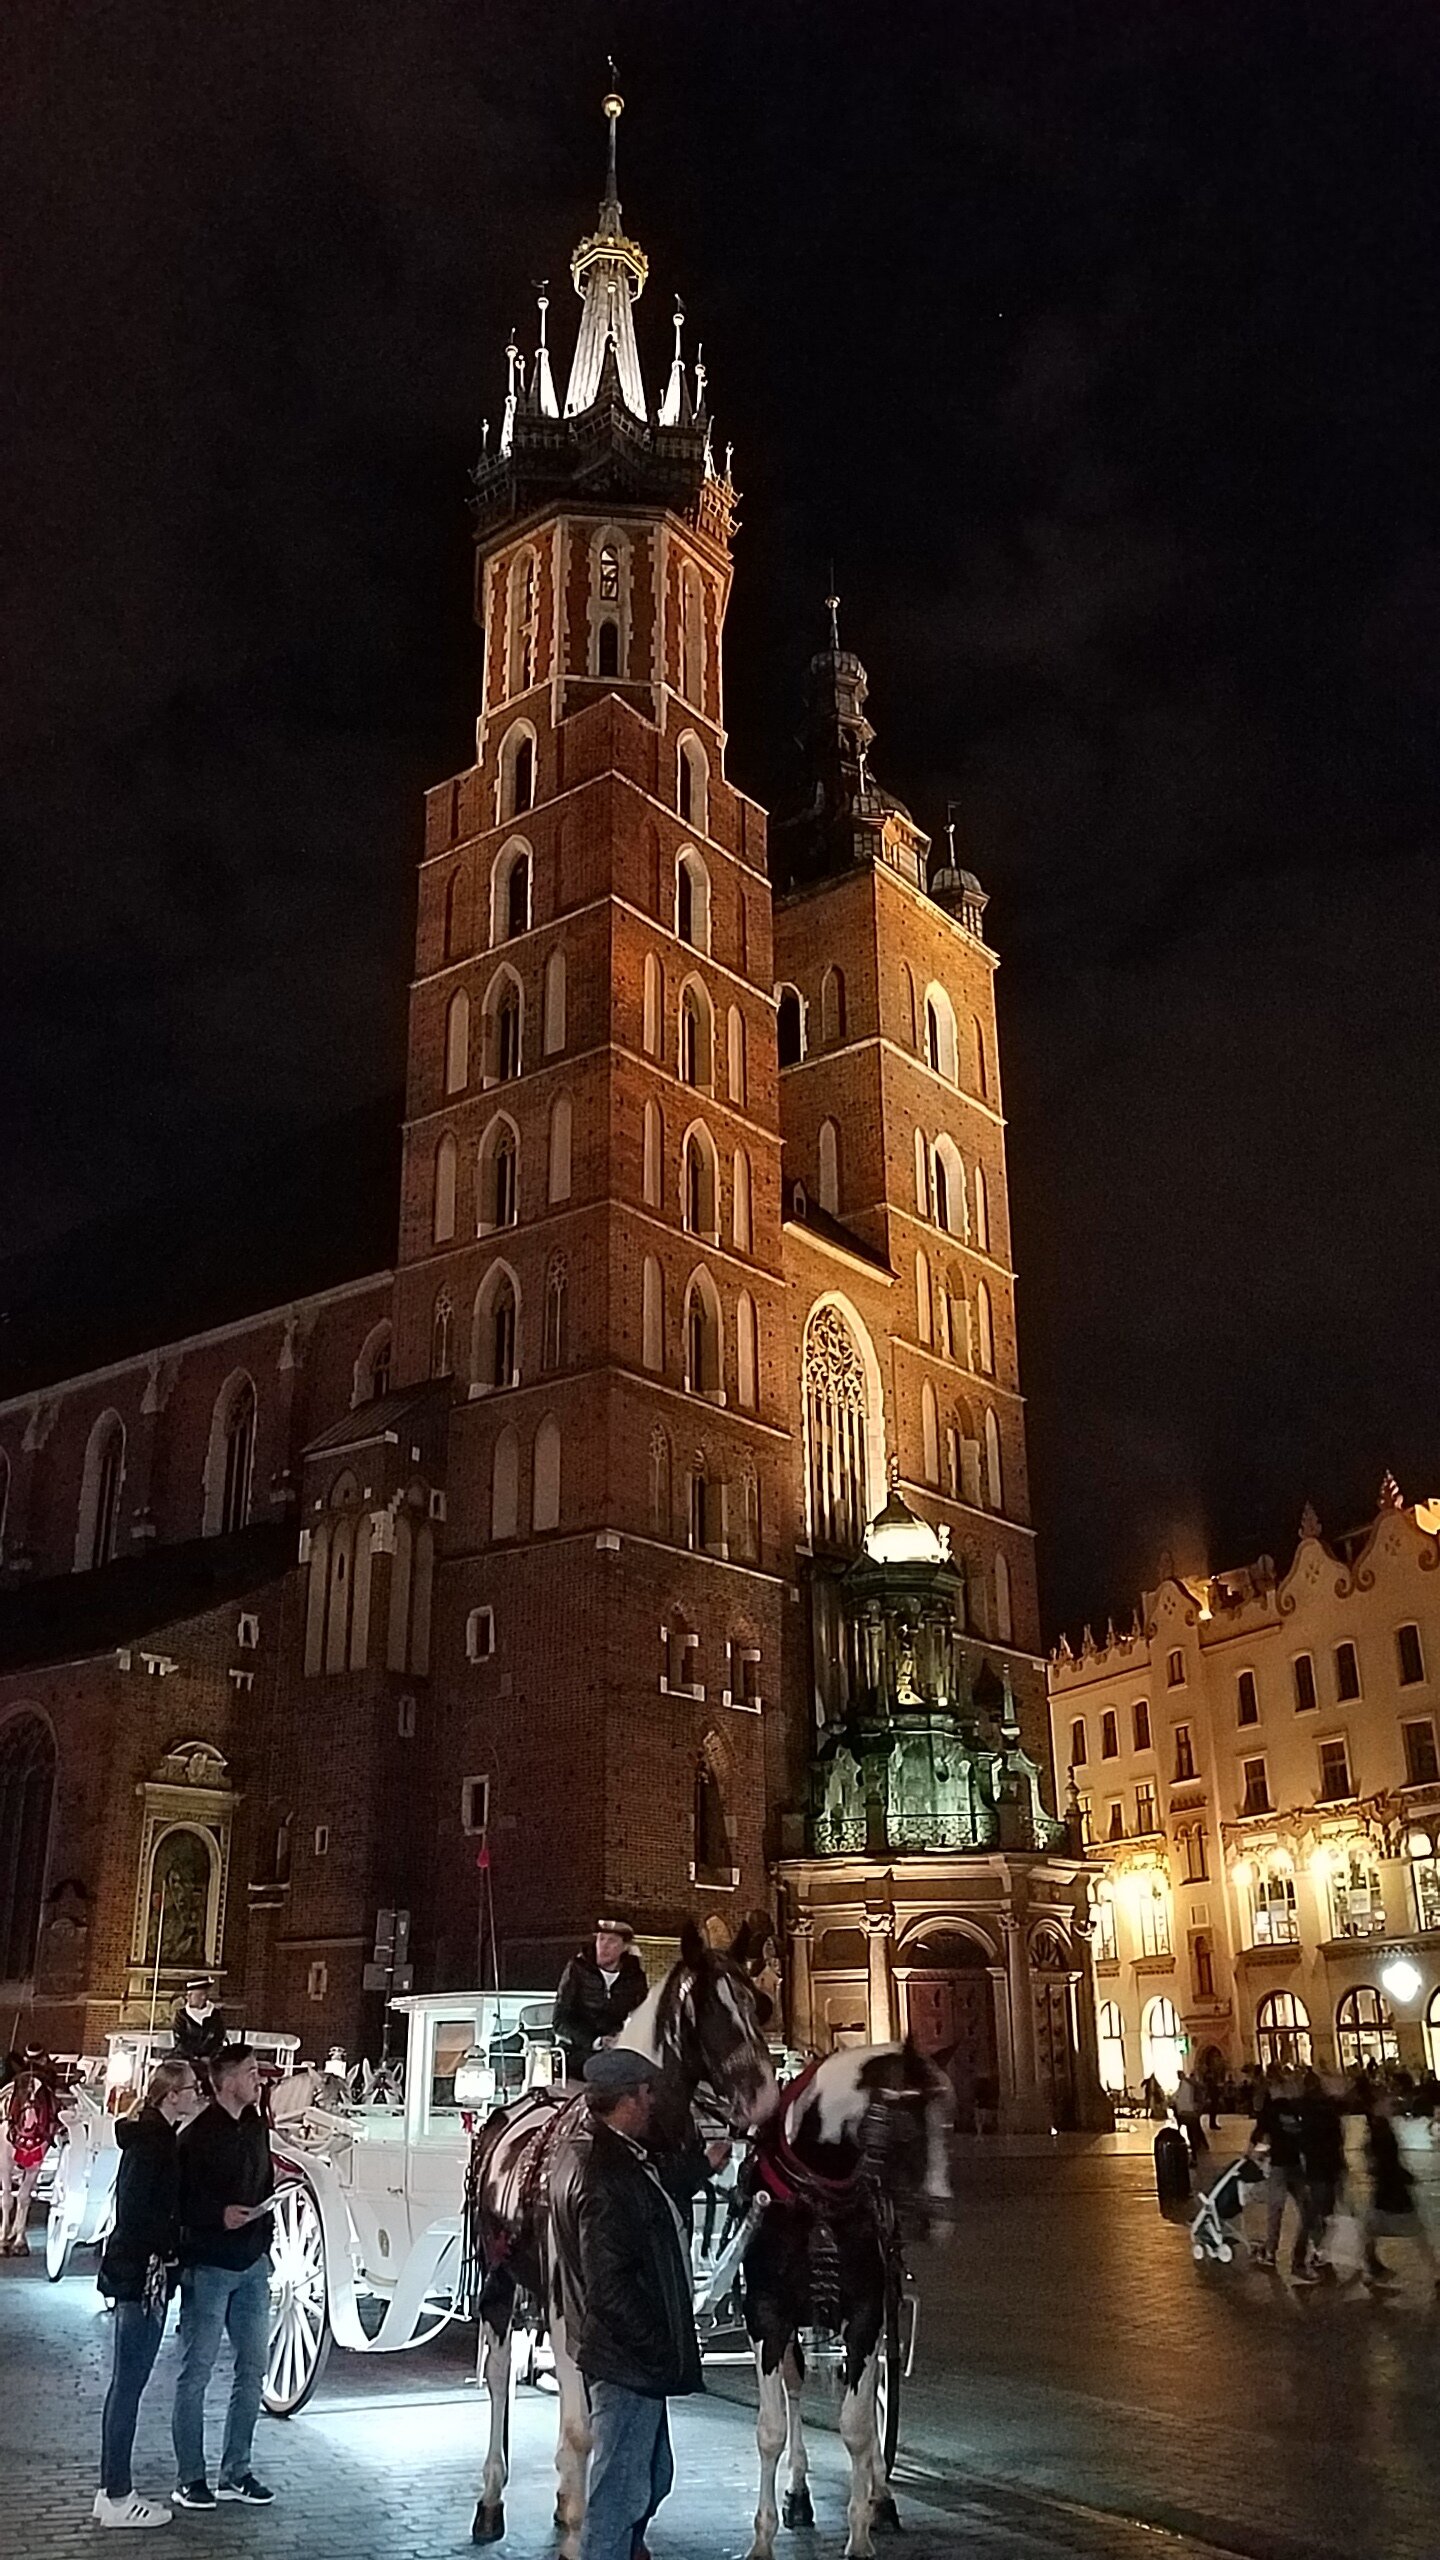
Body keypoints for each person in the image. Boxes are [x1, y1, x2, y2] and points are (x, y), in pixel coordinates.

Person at [550, 2047, 703, 2560]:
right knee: (620, 2492)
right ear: (631, 2099)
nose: (653, 2102)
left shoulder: (607, 2155)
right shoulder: (607, 2174)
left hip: (629, 2360)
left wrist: (699, 2169)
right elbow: (609, 2284)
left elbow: (648, 2200)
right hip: (627, 2362)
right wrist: (658, 2348)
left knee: (653, 2476)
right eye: (647, 2093)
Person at [95, 2057, 200, 2529]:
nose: (197, 2094)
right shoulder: (156, 2142)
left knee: (126, 2385)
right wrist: (168, 2251)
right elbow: (138, 2212)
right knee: (129, 2386)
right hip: (143, 2274)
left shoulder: (153, 2137)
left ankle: (111, 2490)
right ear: (170, 2095)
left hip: (137, 2270)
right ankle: (118, 2494)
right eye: (192, 2088)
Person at [170, 2045, 276, 2511]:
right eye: (252, 2072)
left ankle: (237, 2469)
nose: (260, 2079)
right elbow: (178, 2202)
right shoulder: (196, 2136)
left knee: (252, 2369)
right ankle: (190, 2476)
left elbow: (265, 2181)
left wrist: (264, 2229)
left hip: (253, 2264)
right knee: (196, 2372)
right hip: (211, 2266)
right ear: (228, 2081)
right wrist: (218, 2215)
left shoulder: (256, 2126)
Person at [552, 1921, 649, 2083]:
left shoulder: (635, 1977)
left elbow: (642, 2016)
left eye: (611, 1941)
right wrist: (595, 2041)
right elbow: (560, 2021)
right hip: (579, 2051)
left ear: (625, 1947)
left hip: (619, 2051)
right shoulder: (577, 1969)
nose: (604, 1946)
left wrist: (622, 2037)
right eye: (601, 1939)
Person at [1362, 2088, 1438, 2288]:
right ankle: (1436, 2273)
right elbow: (1386, 2160)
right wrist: (1403, 2175)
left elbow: (1379, 2159)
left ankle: (1371, 2268)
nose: (1391, 2106)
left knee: (1373, 2230)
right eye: (1387, 2103)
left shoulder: (1379, 2127)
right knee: (1415, 2232)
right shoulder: (1380, 2129)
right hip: (1392, 2188)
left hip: (1388, 2187)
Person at [2, 2050, 60, 2254]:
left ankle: (17, 2232)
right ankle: (7, 2231)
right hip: (19, 2094)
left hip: (36, 2100)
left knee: (53, 2108)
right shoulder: (22, 2075)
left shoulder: (45, 2076)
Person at [1292, 2070, 1346, 2284]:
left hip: (1316, 2168)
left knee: (1314, 2216)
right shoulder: (1327, 2109)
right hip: (1329, 2167)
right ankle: (1311, 2256)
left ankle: (1312, 2256)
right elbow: (1338, 2138)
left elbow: (1303, 2142)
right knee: (1321, 2214)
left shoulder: (1304, 2109)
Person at [1252, 2069, 1306, 2270]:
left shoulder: (1270, 2110)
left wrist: (1255, 2154)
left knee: (1275, 2210)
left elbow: (1262, 2137)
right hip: (1294, 2163)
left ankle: (1271, 2252)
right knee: (1305, 2208)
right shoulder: (1293, 2108)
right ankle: (1314, 2250)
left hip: (1278, 2165)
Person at [170, 1981, 226, 2088]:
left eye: (204, 1994)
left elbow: (219, 2037)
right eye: (199, 1995)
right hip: (188, 2060)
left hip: (210, 2061)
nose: (203, 1998)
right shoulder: (182, 2016)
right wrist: (195, 2057)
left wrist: (210, 2056)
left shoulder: (215, 2015)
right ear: (189, 1995)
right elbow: (181, 2040)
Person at [1173, 2069, 1208, 2163]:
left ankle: (1195, 2152)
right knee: (1194, 2131)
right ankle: (1198, 2148)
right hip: (1188, 2112)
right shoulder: (1185, 2084)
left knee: (1193, 2132)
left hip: (1189, 2112)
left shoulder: (1188, 2084)